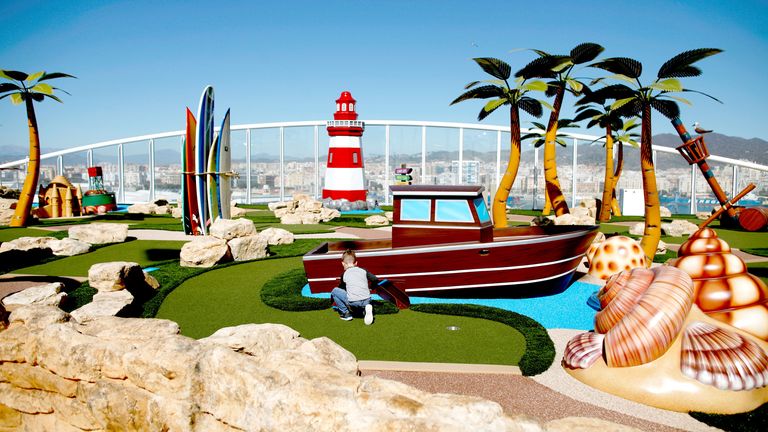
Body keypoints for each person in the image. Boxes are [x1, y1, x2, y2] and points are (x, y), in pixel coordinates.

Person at [331, 249, 378, 325]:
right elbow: (375, 279)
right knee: (361, 298)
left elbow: (342, 288)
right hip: (367, 300)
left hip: (353, 302)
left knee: (335, 291)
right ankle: (366, 308)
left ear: (343, 263)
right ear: (356, 263)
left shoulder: (344, 274)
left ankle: (346, 314)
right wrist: (371, 288)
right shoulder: (364, 270)